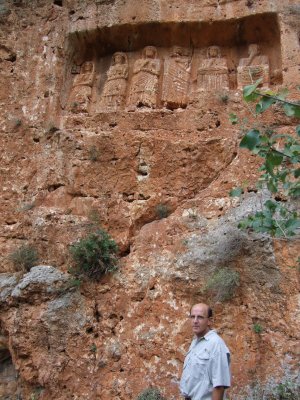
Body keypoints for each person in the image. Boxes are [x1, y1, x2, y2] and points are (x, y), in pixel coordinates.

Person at [180, 303, 231, 400]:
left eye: (200, 317)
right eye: (192, 317)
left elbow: (219, 386)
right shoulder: (196, 342)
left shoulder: (216, 344)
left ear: (209, 321)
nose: (195, 321)